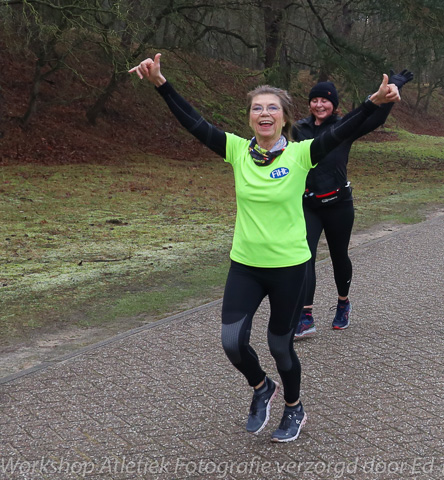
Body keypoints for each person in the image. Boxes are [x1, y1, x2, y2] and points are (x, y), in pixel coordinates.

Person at [129, 54, 399, 443]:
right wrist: (161, 84)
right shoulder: (237, 151)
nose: (265, 113)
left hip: (290, 266)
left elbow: (342, 132)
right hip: (246, 265)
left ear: (285, 118)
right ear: (250, 117)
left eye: (273, 108)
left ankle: (294, 408)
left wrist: (375, 102)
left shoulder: (300, 154)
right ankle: (261, 388)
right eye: (258, 108)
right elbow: (193, 122)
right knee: (231, 342)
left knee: (280, 346)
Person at [293, 70, 414, 339]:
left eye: (325, 100)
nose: (319, 105)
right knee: (304, 258)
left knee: (339, 257)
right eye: (314, 100)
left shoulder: (343, 126)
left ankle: (343, 302)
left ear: (334, 104)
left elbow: (375, 115)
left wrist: (393, 89)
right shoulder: (298, 129)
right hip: (309, 204)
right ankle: (305, 316)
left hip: (339, 205)